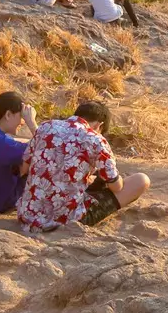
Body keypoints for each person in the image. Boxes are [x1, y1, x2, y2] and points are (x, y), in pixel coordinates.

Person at [16, 99, 150, 232]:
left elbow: (24, 169)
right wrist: (116, 178)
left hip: (28, 215)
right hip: (65, 220)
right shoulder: (96, 140)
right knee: (141, 180)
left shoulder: (46, 127)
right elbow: (117, 187)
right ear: (99, 125)